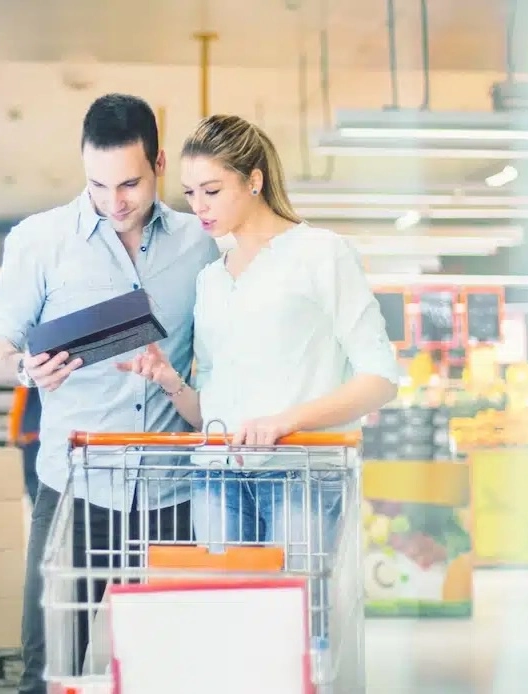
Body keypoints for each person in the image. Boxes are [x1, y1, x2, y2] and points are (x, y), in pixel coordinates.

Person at [0, 93, 220, 693]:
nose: (115, 203)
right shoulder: (40, 240)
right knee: (48, 664)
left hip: (173, 495)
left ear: (159, 164)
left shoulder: (202, 243)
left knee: (168, 670)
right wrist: (25, 370)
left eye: (130, 184)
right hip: (74, 493)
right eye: (98, 185)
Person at [118, 113, 399, 628]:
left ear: (254, 179)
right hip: (216, 475)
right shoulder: (210, 279)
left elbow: (380, 378)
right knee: (229, 638)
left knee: (299, 639)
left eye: (212, 190)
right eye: (190, 193)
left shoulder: (320, 253)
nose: (198, 207)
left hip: (303, 474)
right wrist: (170, 380)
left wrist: (285, 420)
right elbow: (213, 409)